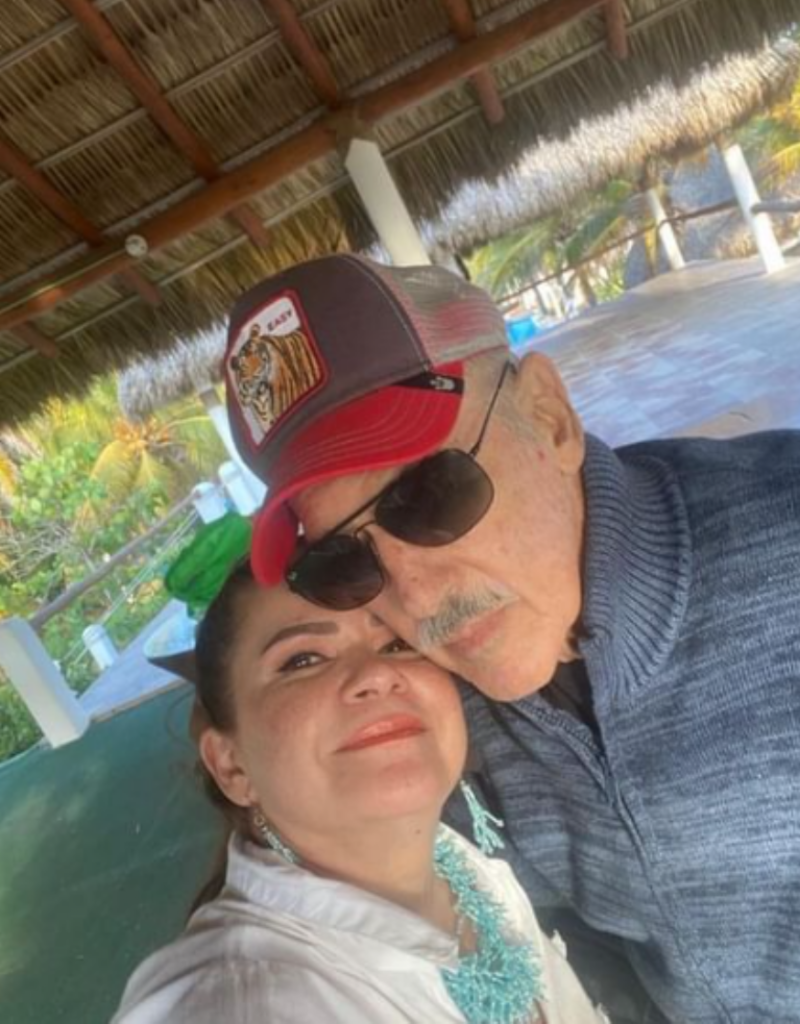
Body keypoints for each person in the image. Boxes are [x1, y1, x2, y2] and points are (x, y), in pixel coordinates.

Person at [222, 254, 800, 1023]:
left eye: (429, 496)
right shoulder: (442, 718)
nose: (414, 598)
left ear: (550, 418)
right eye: (342, 559)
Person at [112, 560, 607, 1024]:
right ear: (232, 765)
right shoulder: (243, 999)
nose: (376, 673)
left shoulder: (455, 862)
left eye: (396, 644)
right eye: (303, 659)